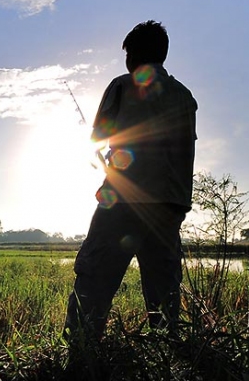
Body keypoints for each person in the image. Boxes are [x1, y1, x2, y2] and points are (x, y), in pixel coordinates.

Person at [65, 20, 197, 347]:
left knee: (94, 281)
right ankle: (168, 364)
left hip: (122, 203)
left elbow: (98, 136)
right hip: (168, 207)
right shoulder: (185, 97)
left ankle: (80, 357)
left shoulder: (122, 86)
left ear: (133, 55)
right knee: (164, 295)